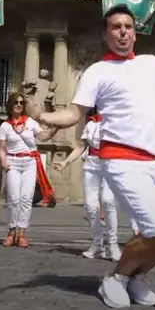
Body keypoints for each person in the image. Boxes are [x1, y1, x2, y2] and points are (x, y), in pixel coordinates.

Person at [33, 5, 155, 309]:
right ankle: (116, 278)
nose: (123, 32)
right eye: (116, 27)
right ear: (106, 35)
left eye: (128, 27)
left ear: (135, 33)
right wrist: (43, 115)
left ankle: (135, 276)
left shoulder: (150, 63)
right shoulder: (96, 72)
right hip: (122, 160)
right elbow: (74, 114)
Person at [54, 111, 122, 261]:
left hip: (110, 164)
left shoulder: (118, 122)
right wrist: (66, 162)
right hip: (91, 166)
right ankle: (97, 245)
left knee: (108, 201)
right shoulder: (90, 124)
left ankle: (113, 245)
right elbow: (80, 147)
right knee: (91, 207)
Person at [0, 91, 57, 248]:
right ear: (10, 105)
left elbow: (43, 137)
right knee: (13, 199)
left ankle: (21, 233)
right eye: (16, 102)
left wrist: (55, 128)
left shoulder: (30, 122)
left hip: (30, 162)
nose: (18, 105)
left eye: (21, 103)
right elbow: (2, 148)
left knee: (26, 199)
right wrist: (3, 162)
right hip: (13, 162)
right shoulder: (5, 126)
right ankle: (11, 231)